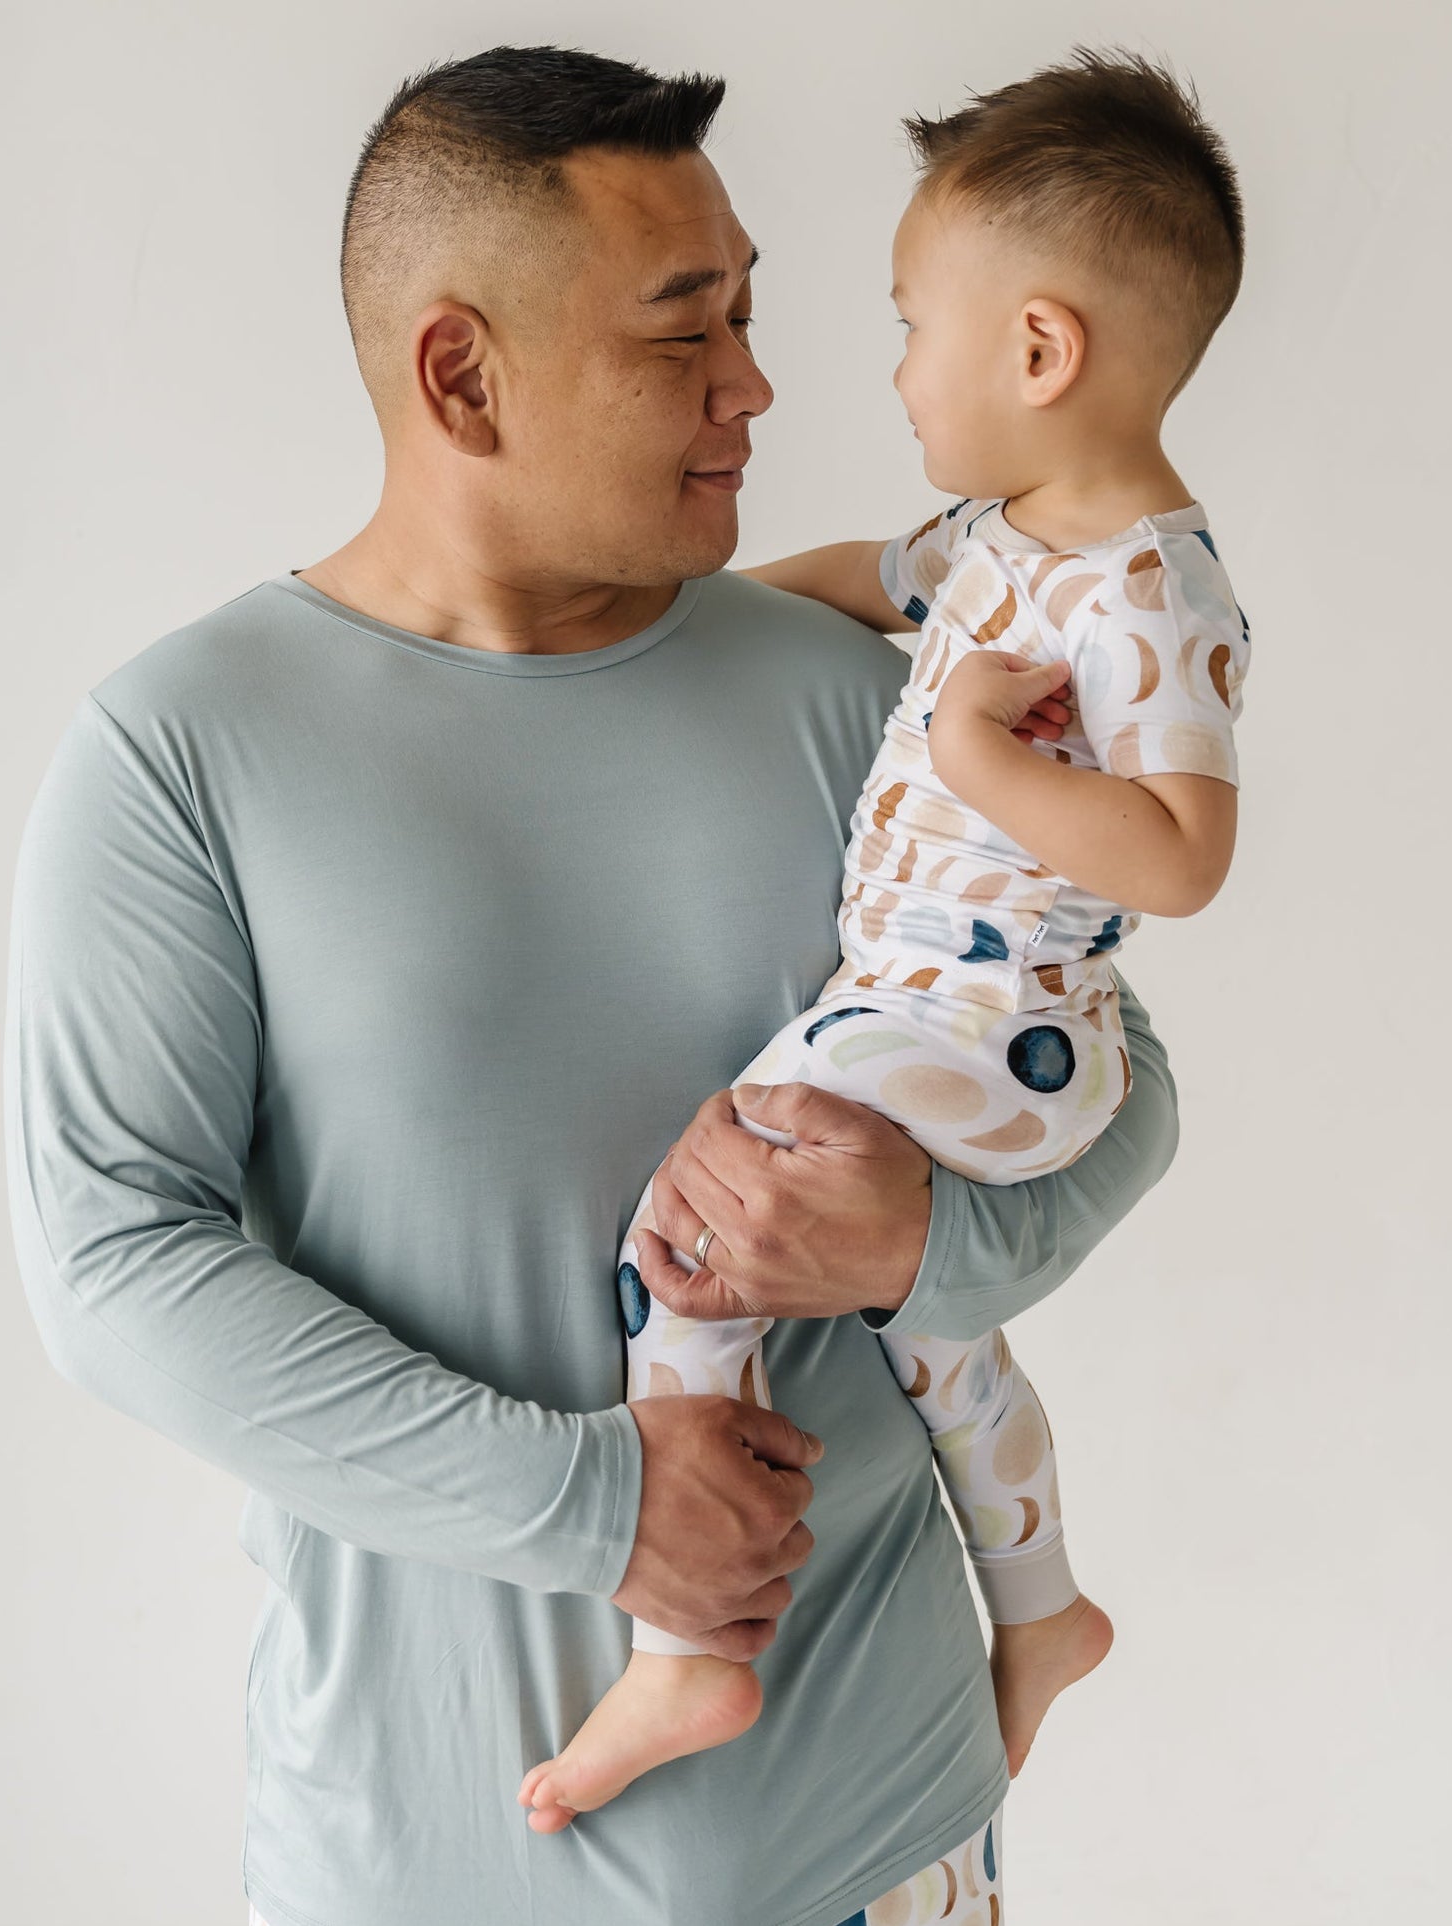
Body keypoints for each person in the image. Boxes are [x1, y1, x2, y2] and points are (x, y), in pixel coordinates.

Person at [2, 43, 1179, 1926]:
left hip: (881, 1848)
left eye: (749, 316)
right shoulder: (182, 750)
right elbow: (115, 1263)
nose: (754, 385)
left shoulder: (860, 694)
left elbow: (1118, 1076)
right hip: (423, 1887)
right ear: (461, 376)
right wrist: (600, 1505)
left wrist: (925, 1241)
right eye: (681, 328)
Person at [520, 45, 1247, 1836]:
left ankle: (686, 1649)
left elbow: (1184, 858)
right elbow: (871, 575)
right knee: (934, 1342)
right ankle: (1043, 1610)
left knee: (693, 1227)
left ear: (1040, 350)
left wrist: (984, 757)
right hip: (913, 999)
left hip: (1000, 1023)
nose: (898, 368)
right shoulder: (1002, 536)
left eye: (916, 326)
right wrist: (687, 615)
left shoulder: (1152, 589)